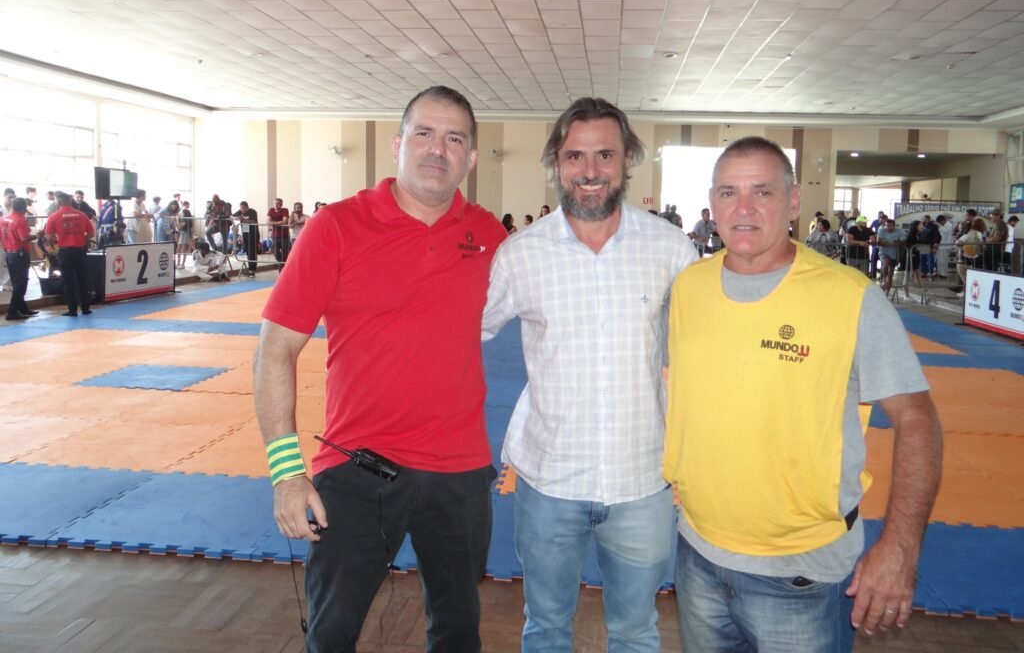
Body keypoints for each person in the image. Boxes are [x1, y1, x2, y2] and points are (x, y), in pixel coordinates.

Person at [253, 86, 506, 653]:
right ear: (397, 144)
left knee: (458, 633)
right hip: (357, 467)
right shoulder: (337, 227)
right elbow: (275, 349)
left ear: (470, 157)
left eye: (454, 139)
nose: (437, 149)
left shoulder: (489, 235)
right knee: (332, 634)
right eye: (424, 133)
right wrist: (287, 473)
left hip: (460, 471)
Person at [664, 136, 942, 652]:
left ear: (793, 202)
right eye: (728, 192)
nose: (743, 208)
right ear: (712, 203)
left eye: (762, 192)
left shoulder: (849, 296)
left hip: (802, 575)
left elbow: (917, 419)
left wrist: (901, 546)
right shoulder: (688, 288)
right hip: (697, 554)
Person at [482, 97, 699, 651]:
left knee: (635, 631)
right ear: (556, 163)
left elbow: (705, 350)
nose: (590, 170)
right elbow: (461, 334)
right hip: (549, 479)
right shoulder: (521, 255)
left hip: (642, 480)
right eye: (575, 156)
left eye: (605, 154)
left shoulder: (671, 249)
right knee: (546, 628)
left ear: (627, 160)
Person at [44, 191, 96, 317]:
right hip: (80, 251)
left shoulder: (54, 217)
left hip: (65, 251)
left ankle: (72, 310)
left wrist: (57, 240)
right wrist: (82, 239)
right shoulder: (82, 215)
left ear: (58, 201)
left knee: (68, 281)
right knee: (82, 280)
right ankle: (85, 308)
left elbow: (49, 237)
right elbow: (91, 233)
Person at [1, 197, 39, 320]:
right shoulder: (20, 219)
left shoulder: (3, 219)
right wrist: (37, 236)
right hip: (20, 254)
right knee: (21, 284)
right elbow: (24, 238)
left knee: (16, 282)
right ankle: (12, 311)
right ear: (23, 208)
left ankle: (22, 308)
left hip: (9, 253)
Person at [876, 217, 905, 295]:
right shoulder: (882, 230)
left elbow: (903, 242)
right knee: (886, 262)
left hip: (894, 255)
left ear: (894, 226)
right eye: (887, 226)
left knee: (891, 274)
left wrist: (895, 243)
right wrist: (891, 243)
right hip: (883, 252)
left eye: (890, 226)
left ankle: (887, 292)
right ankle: (884, 280)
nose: (888, 227)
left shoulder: (899, 231)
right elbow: (879, 242)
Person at [233, 201, 259, 276]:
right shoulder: (240, 211)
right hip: (245, 234)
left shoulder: (252, 212)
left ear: (247, 207)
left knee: (252, 252)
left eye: (243, 208)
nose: (242, 210)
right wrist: (236, 218)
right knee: (248, 252)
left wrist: (243, 220)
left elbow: (253, 221)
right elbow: (232, 215)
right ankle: (250, 269)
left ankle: (252, 270)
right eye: (241, 208)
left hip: (253, 234)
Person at [267, 197, 290, 265]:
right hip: (275, 235)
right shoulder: (271, 210)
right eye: (275, 203)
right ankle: (282, 264)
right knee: (275, 251)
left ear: (281, 204)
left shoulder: (285, 210)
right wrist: (280, 222)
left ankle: (282, 266)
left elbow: (285, 221)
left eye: (278, 203)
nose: (276, 205)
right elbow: (268, 222)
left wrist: (273, 222)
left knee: (285, 252)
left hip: (284, 235)